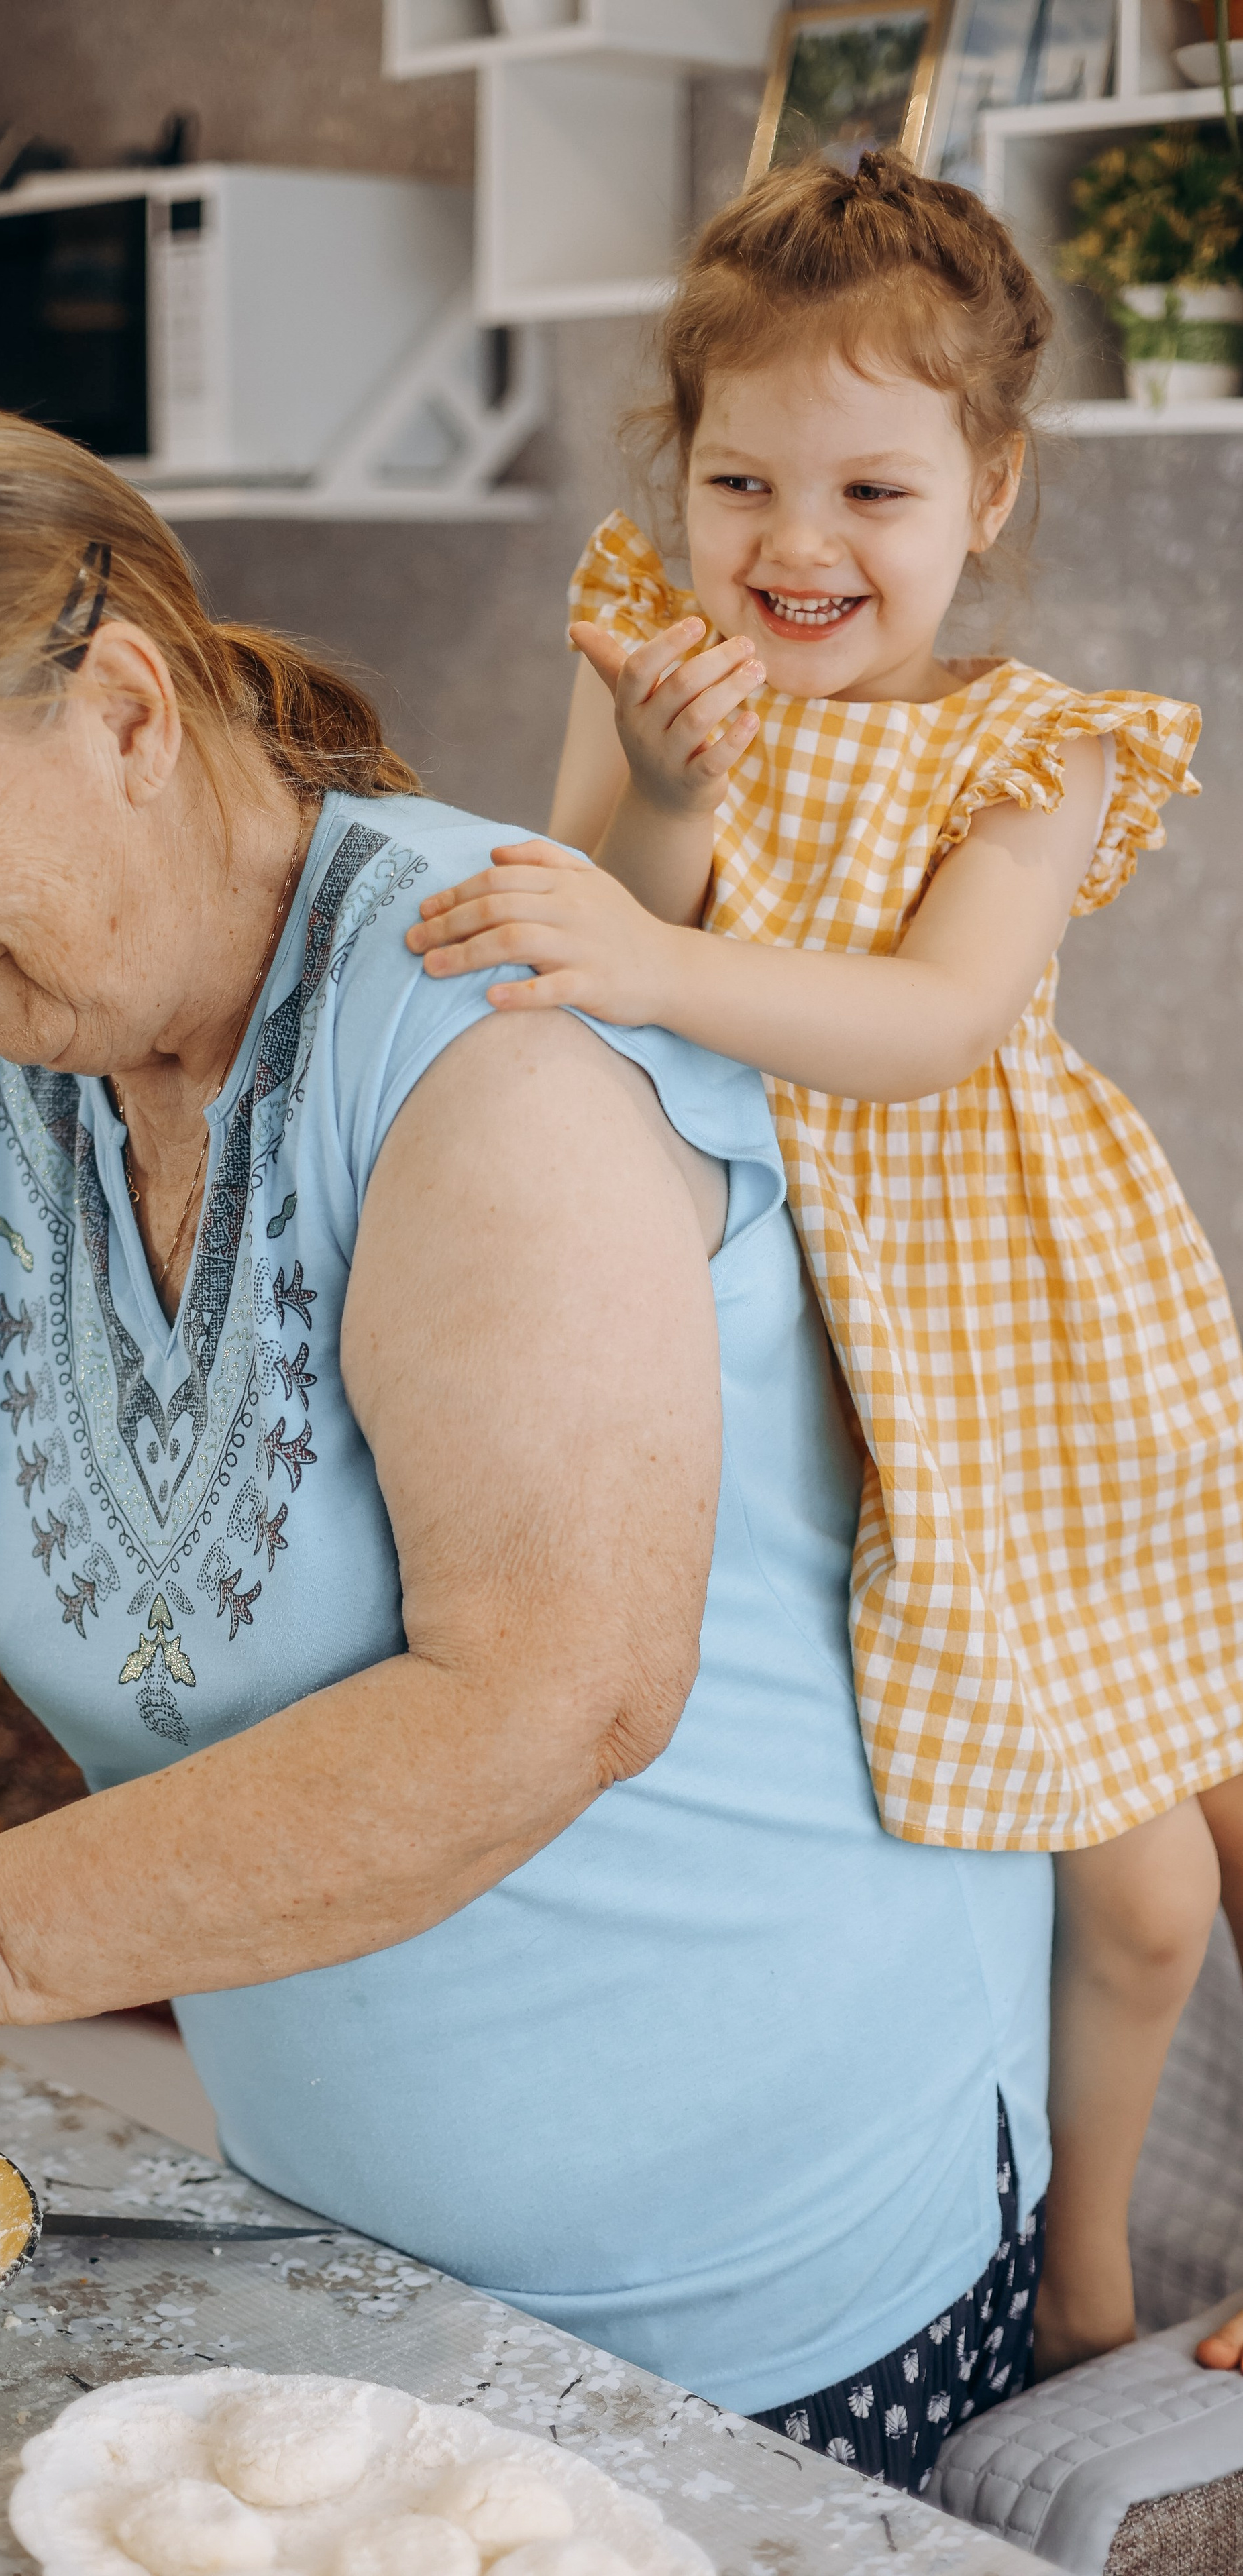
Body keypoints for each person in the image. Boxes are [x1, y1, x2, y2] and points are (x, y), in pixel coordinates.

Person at [0, 407, 1052, 2491]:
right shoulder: (19, 1039)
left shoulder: (482, 1032)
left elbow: (565, 1691)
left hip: (736, 2303)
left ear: (125, 710)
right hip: (357, 2259)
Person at [406, 149, 1243, 2381]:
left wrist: (659, 953)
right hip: (784, 1326)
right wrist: (662, 799)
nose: (795, 544)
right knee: (981, 1840)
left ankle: (1088, 2285)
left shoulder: (1037, 751)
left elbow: (936, 1023)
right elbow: (590, 918)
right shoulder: (652, 647)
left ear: (988, 491)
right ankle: (1053, 2261)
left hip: (1020, 1336)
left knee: (1162, 1878)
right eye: (744, 476)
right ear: (676, 477)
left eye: (870, 488)